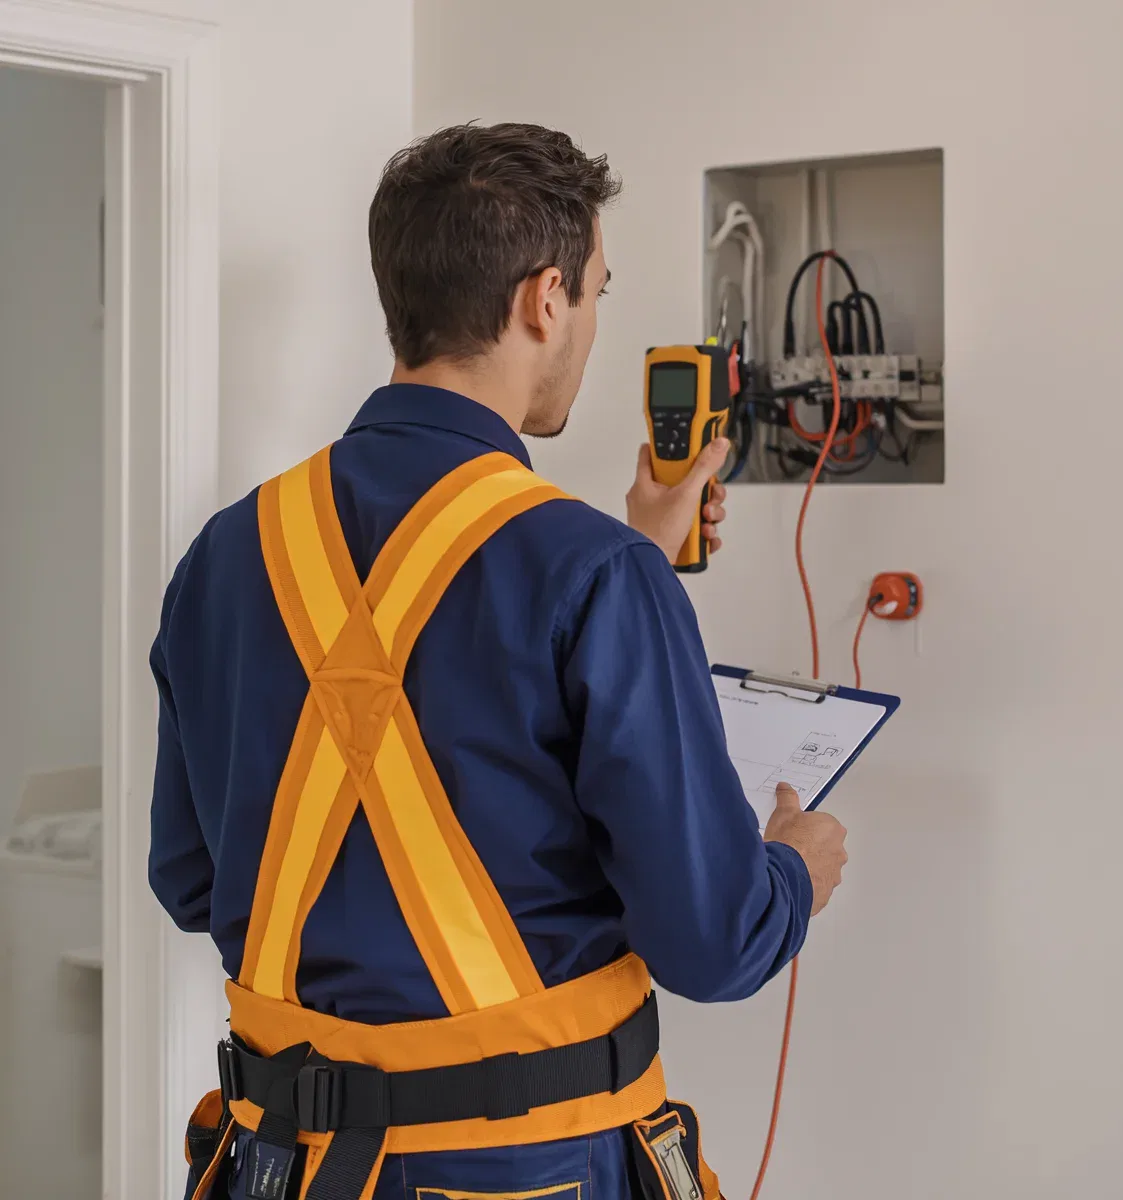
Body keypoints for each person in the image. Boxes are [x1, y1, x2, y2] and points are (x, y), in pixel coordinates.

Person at [149, 122, 848, 1200]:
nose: (591, 325)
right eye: (599, 293)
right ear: (544, 297)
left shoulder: (228, 552)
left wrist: (639, 566)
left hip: (277, 1170)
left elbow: (193, 882)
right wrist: (796, 867)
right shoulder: (597, 576)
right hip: (525, 1173)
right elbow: (716, 942)